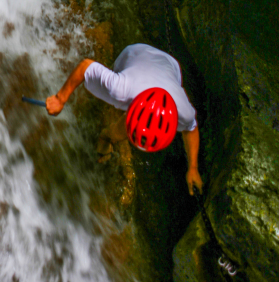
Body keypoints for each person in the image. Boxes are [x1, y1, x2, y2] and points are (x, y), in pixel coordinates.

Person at [45, 43, 203, 195]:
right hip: (134, 53)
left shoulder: (184, 112)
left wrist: (193, 168)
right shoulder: (119, 89)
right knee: (110, 89)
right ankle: (108, 136)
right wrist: (60, 98)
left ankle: (108, 136)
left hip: (171, 65)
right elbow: (86, 66)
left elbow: (191, 129)